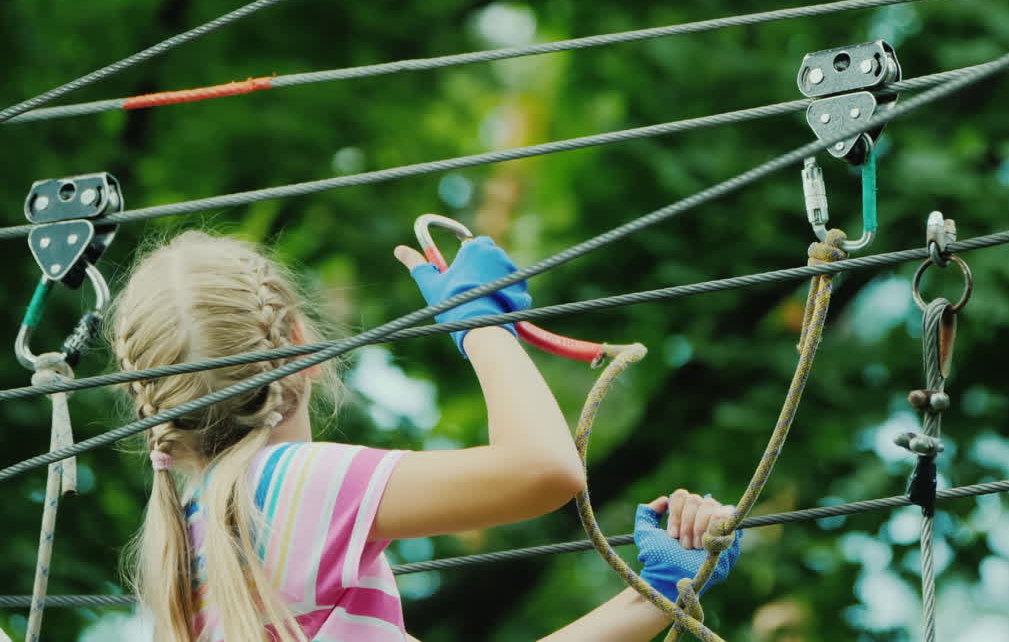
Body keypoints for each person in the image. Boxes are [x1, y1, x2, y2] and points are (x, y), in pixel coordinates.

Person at [110, 230, 742, 642]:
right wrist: (480, 323)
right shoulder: (283, 484)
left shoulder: (191, 538)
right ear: (300, 341)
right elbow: (547, 469)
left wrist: (659, 593)